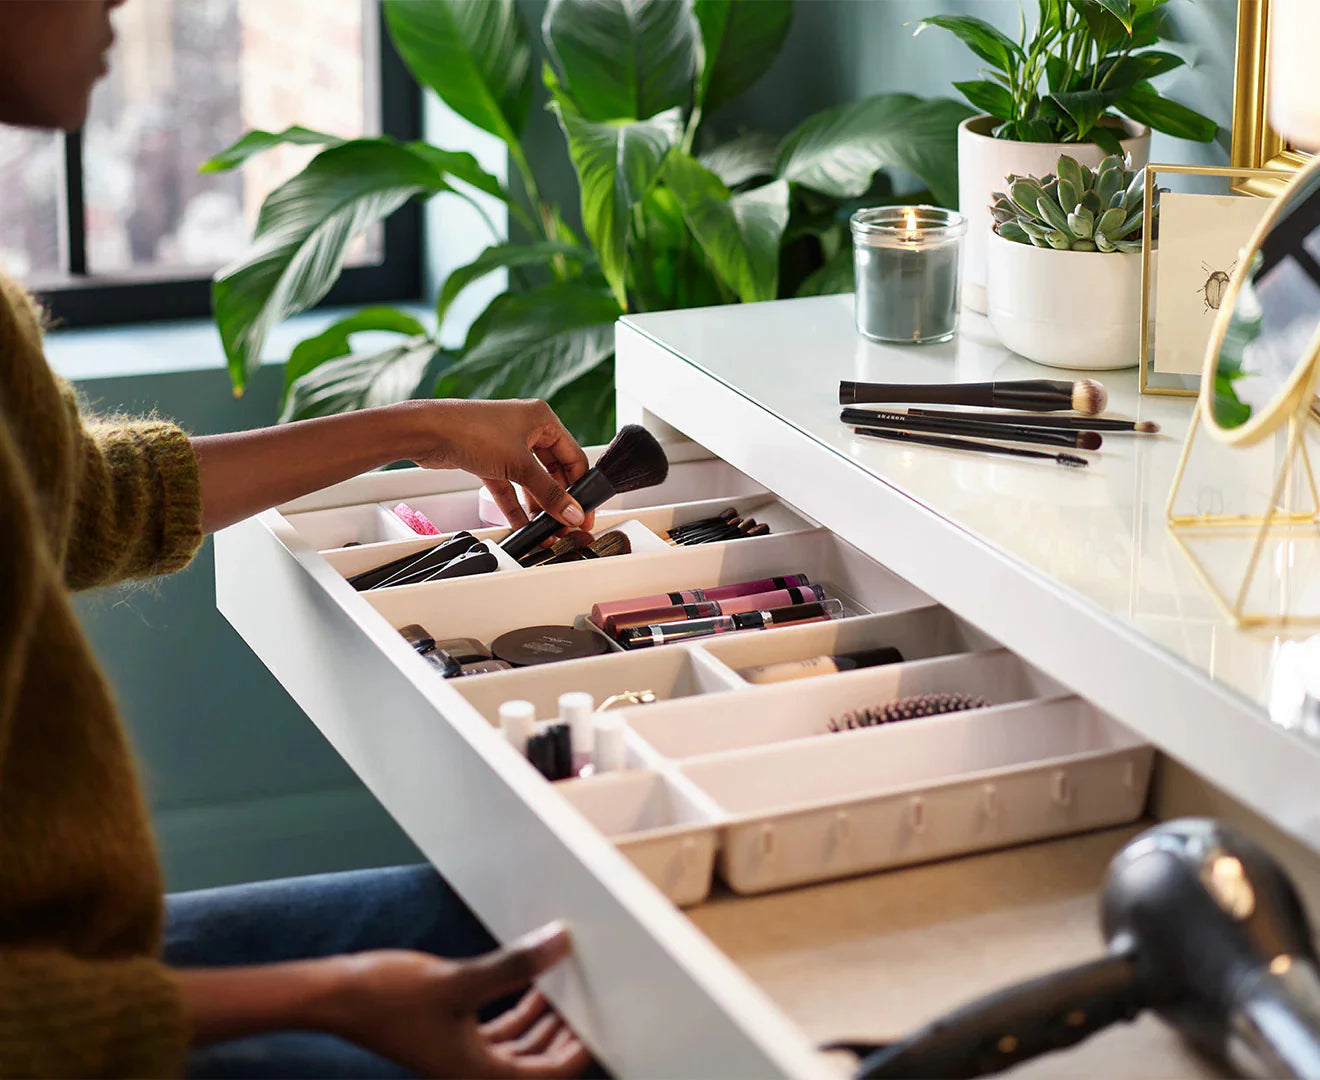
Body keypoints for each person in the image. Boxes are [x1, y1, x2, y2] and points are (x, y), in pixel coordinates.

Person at [0, 2, 594, 1076]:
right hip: (59, 1026)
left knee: (535, 928)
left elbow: (79, 501)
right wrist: (343, 993)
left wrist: (424, 426)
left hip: (73, 960)